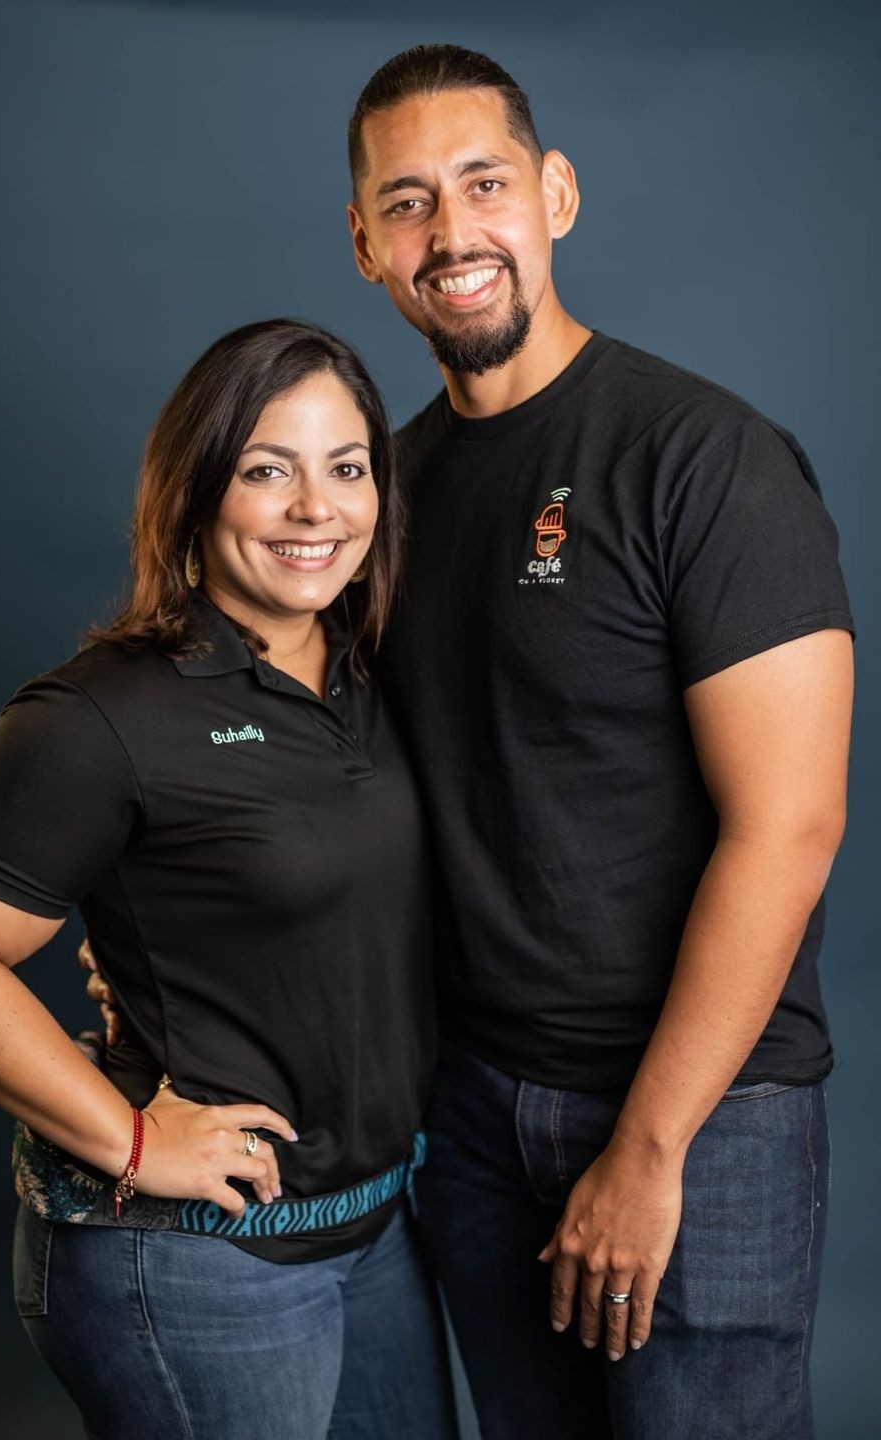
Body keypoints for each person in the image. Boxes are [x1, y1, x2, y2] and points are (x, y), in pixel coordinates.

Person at [342, 44, 853, 1440]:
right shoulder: (381, 493)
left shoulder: (702, 457)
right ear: (365, 246)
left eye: (485, 183)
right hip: (468, 1113)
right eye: (407, 202)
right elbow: (323, 786)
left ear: (555, 194)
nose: (452, 234)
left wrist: (648, 1144)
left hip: (702, 1119)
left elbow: (790, 827)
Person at [0, 319, 457, 1440]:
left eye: (345, 468)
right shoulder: (106, 712)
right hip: (192, 1265)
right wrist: (132, 1142)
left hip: (374, 1231)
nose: (318, 508)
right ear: (198, 490)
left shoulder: (375, 669)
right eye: (270, 469)